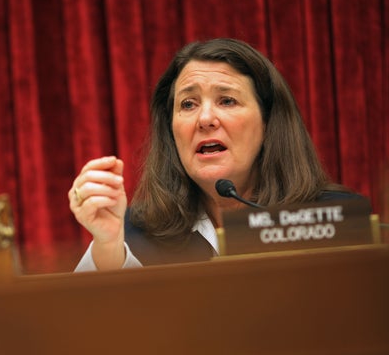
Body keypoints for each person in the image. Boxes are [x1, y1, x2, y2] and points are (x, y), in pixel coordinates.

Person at [69, 38, 360, 271]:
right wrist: (107, 245)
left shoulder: (334, 219)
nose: (205, 118)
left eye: (227, 100)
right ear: (171, 130)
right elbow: (90, 332)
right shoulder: (133, 234)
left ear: (269, 122)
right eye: (188, 104)